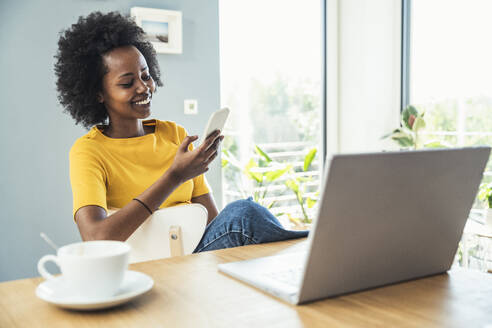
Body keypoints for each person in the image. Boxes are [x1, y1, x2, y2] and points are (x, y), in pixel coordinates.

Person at [55, 11, 308, 253]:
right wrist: (174, 177)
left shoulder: (174, 135)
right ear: (97, 93)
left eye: (146, 76)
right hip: (143, 270)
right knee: (244, 214)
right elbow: (96, 238)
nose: (144, 88)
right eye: (127, 83)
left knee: (244, 214)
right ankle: (305, 251)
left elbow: (215, 226)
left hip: (194, 261)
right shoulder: (89, 151)